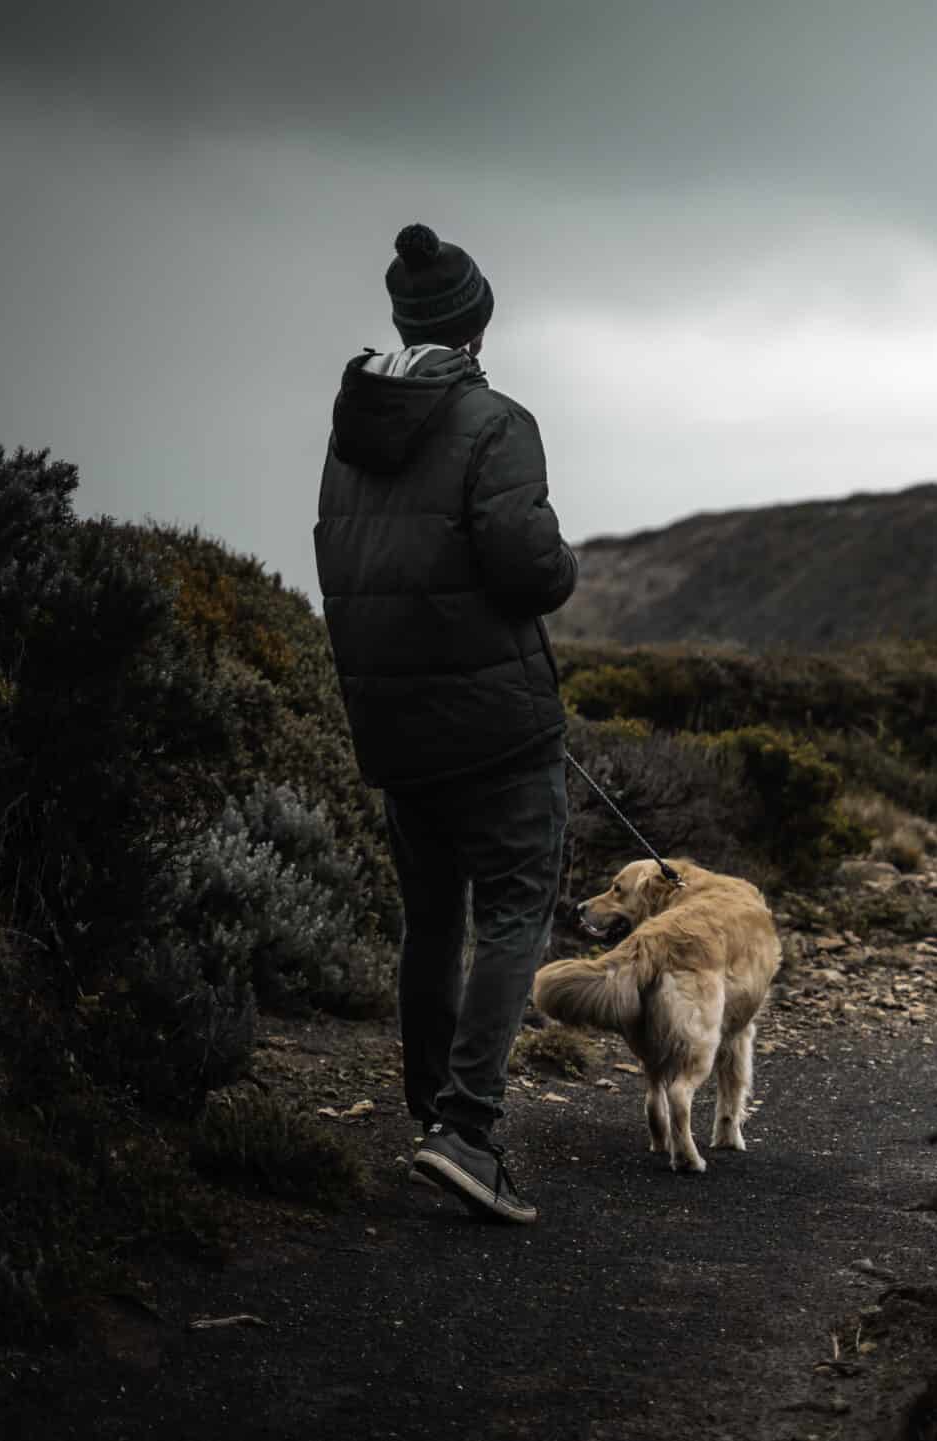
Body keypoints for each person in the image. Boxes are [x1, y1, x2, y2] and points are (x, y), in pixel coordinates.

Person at [314, 222, 579, 1224]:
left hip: (393, 723)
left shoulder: (352, 431)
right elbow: (526, 567)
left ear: (403, 317)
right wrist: (560, 564)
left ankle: (434, 1118)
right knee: (515, 913)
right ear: (476, 321)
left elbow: (358, 570)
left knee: (431, 922)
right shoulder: (495, 421)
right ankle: (466, 1131)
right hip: (496, 728)